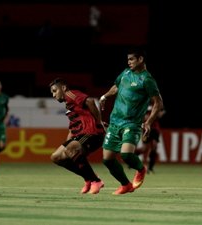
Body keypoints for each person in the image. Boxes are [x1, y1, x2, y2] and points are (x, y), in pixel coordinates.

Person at [99, 46, 164, 195]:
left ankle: (141, 169)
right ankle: (126, 185)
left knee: (126, 155)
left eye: (131, 59)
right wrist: (104, 96)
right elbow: (116, 86)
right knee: (107, 160)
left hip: (132, 123)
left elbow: (158, 102)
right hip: (115, 122)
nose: (128, 62)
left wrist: (148, 122)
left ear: (140, 59)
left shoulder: (147, 79)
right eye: (128, 59)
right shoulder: (126, 73)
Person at [49, 78, 106, 194]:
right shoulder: (69, 105)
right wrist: (67, 144)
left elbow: (90, 101)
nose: (54, 95)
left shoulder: (71, 94)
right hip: (79, 135)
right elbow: (72, 127)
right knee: (56, 157)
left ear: (63, 88)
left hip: (91, 133)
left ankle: (96, 181)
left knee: (70, 150)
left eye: (55, 91)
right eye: (52, 93)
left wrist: (99, 122)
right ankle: (88, 178)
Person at [135, 106, 165, 174]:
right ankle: (132, 157)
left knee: (154, 147)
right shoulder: (144, 103)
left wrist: (157, 114)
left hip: (155, 129)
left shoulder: (157, 102)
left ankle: (150, 168)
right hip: (146, 128)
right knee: (144, 149)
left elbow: (161, 113)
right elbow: (141, 115)